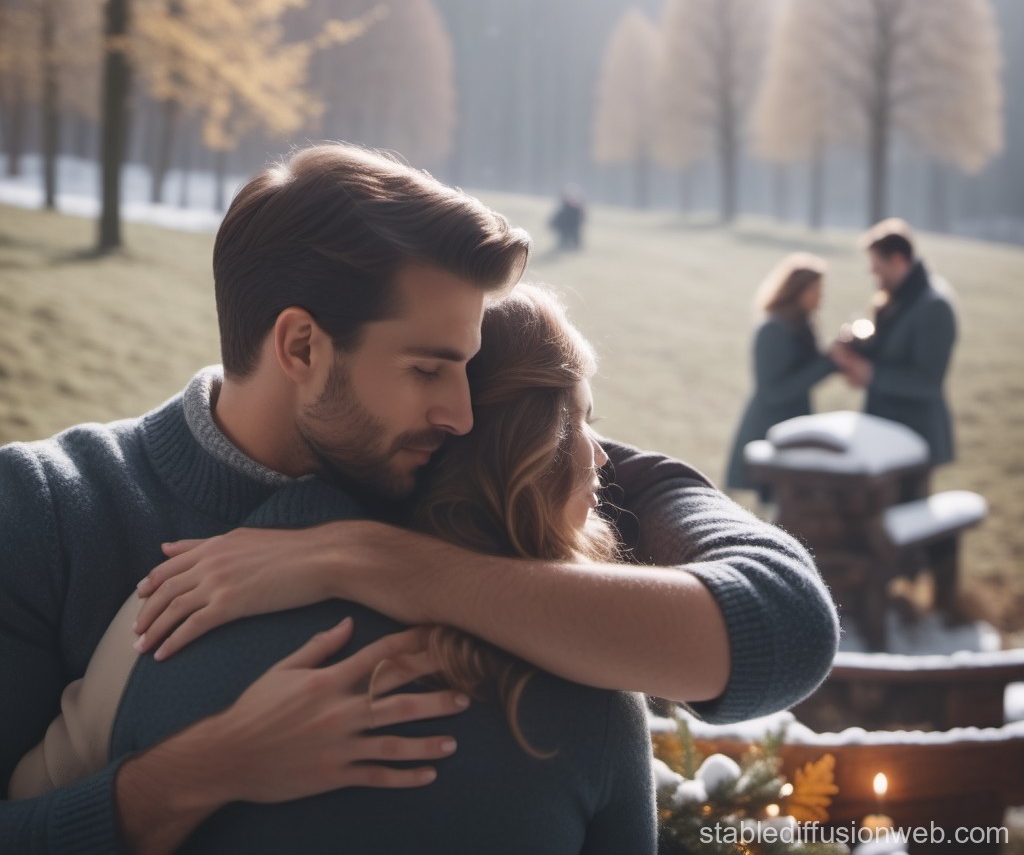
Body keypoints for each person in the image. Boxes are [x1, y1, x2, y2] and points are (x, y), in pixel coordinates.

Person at [1, 143, 838, 855]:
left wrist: (367, 559)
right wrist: (203, 770)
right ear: (301, 346)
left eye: (469, 368)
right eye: (430, 368)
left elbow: (787, 626)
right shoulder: (47, 508)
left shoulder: (438, 450)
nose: (464, 410)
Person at [11, 286, 658, 854]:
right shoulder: (591, 678)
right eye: (582, 420)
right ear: (529, 452)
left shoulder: (170, 610)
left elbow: (27, 807)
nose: (602, 455)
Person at [829, 218, 957, 466]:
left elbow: (927, 381)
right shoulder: (902, 296)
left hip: (915, 436)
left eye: (876, 267)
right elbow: (893, 348)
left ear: (897, 261)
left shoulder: (934, 305)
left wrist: (871, 374)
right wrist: (857, 345)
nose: (872, 273)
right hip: (886, 430)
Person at [725, 253, 835, 494]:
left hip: (794, 422)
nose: (821, 296)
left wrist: (836, 358)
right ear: (798, 290)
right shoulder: (773, 329)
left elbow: (810, 368)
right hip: (769, 425)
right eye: (816, 289)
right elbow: (774, 391)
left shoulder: (802, 323)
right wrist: (828, 362)